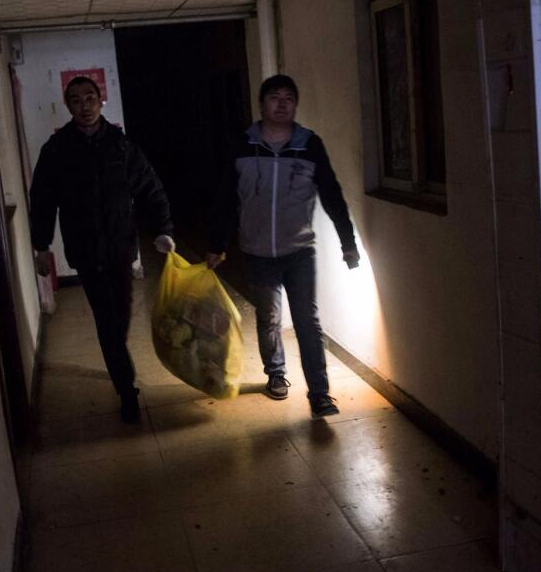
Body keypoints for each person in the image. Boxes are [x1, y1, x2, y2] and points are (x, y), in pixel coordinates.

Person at [207, 74, 360, 418]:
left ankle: (319, 393)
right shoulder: (243, 144)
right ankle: (276, 374)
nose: (281, 104)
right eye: (274, 97)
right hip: (257, 251)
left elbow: (332, 194)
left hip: (299, 251)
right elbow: (225, 198)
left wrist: (347, 242)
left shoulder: (309, 145)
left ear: (295, 104)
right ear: (262, 104)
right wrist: (216, 244)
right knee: (269, 317)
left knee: (308, 321)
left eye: (288, 98)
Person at [29, 76, 175, 423]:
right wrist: (41, 246)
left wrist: (163, 230)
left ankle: (116, 360)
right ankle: (127, 390)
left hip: (122, 248)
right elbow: (43, 200)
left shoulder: (121, 146)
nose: (85, 105)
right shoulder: (58, 150)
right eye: (77, 100)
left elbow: (151, 188)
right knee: (107, 319)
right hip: (86, 251)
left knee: (121, 315)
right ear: (68, 106)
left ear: (100, 101)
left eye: (91, 98)